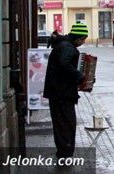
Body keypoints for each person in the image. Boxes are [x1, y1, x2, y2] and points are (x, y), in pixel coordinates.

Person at [43, 22, 88, 158]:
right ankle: (65, 154)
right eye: (82, 39)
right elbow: (65, 64)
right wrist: (80, 76)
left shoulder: (64, 45)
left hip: (59, 92)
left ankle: (63, 152)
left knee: (61, 123)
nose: (83, 42)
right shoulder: (67, 47)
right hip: (62, 93)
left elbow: (65, 65)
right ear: (77, 38)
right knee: (66, 123)